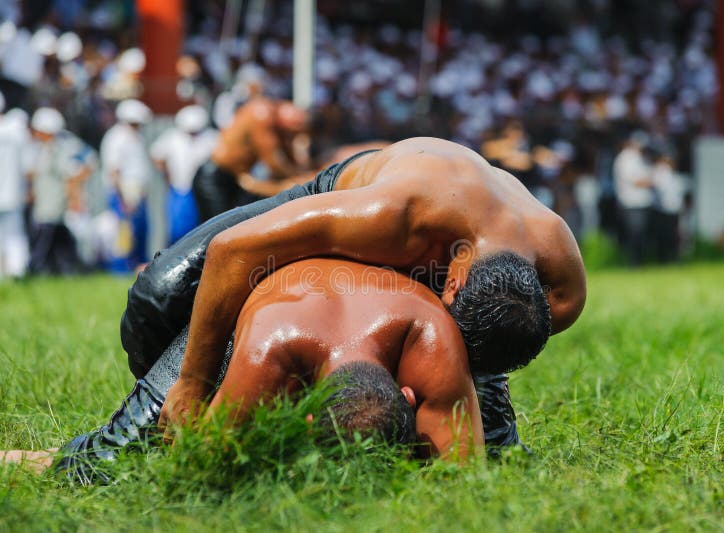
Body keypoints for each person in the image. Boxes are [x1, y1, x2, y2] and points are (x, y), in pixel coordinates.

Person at [122, 137, 586, 452]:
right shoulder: (392, 217)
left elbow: (494, 338)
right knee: (158, 295)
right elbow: (232, 254)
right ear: (455, 280)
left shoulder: (561, 290)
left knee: (488, 435)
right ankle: (159, 411)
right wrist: (193, 383)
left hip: (453, 245)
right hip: (349, 193)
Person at [5, 258, 484, 483]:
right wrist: (193, 389)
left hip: (336, 291)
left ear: (408, 396)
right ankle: (33, 459)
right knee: (118, 462)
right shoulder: (267, 352)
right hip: (222, 309)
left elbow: (461, 480)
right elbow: (196, 465)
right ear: (408, 395)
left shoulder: (434, 334)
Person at [192, 98, 310, 221]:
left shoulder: (277, 125)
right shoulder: (261, 115)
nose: (292, 135)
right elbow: (274, 165)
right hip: (213, 178)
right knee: (218, 230)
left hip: (234, 178)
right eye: (293, 129)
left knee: (234, 228)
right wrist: (302, 179)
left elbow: (293, 163)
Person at [25, 108, 92, 275]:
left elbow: (73, 175)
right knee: (59, 246)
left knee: (44, 244)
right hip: (46, 206)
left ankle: (35, 271)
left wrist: (74, 198)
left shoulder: (58, 150)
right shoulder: (45, 149)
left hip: (52, 208)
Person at [150, 105, 218, 244]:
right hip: (180, 189)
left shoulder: (212, 137)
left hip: (204, 192)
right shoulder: (172, 137)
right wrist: (167, 176)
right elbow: (157, 156)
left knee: (203, 227)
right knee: (178, 229)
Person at [99, 99, 152, 272]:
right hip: (125, 192)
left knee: (137, 232)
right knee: (124, 233)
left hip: (136, 191)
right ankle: (120, 269)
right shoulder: (117, 137)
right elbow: (114, 171)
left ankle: (136, 267)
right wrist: (122, 198)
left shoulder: (135, 137)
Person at [0, 98, 30, 279]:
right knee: (15, 235)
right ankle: (16, 273)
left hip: (10, 192)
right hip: (12, 192)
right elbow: (27, 163)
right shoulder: (16, 129)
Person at [613, 132, 653, 265]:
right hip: (632, 203)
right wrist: (652, 180)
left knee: (640, 236)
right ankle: (634, 263)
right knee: (635, 236)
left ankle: (638, 262)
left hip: (639, 203)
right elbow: (636, 181)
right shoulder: (626, 158)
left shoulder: (638, 157)